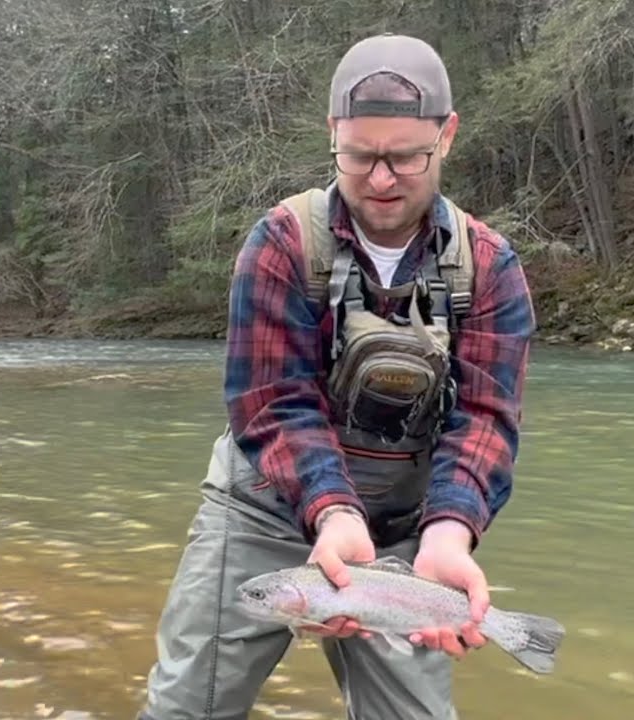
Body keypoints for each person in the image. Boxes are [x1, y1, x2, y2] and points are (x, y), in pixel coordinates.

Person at [136, 33, 536, 720]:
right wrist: (333, 511)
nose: (381, 179)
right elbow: (272, 403)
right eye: (360, 156)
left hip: (411, 530)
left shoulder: (491, 268)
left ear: (447, 137)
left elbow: (485, 422)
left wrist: (449, 534)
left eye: (406, 156)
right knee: (185, 709)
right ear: (332, 136)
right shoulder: (282, 243)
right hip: (263, 508)